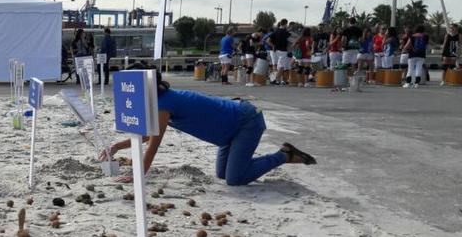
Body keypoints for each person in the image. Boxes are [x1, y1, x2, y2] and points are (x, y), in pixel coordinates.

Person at [101, 68, 316, 186]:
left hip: (246, 122)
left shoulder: (164, 104)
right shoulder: (160, 100)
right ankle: (270, 157)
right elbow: (147, 136)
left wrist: (138, 175)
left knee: (234, 179)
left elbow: (153, 145)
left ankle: (284, 155)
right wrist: (117, 147)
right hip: (228, 133)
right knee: (223, 174)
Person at [267, 19, 291, 85]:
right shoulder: (285, 32)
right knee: (281, 66)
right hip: (283, 51)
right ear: (286, 24)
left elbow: (268, 41)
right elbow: (291, 39)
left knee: (277, 66)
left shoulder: (275, 31)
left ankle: (276, 79)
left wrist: (273, 46)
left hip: (276, 51)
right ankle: (276, 79)